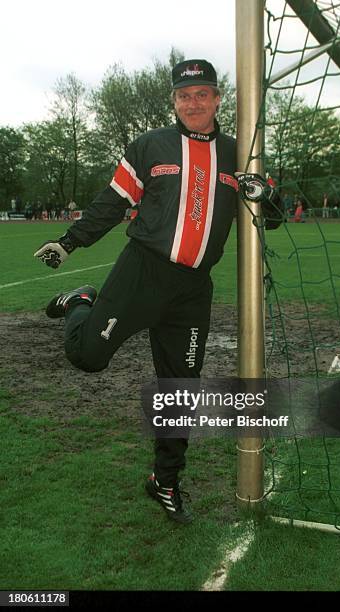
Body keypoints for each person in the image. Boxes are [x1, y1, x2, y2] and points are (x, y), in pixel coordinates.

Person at [34, 59, 283, 524]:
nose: (193, 102)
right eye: (184, 95)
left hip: (192, 291)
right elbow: (112, 203)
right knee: (88, 357)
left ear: (217, 99)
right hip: (142, 273)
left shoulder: (238, 154)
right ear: (174, 100)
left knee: (180, 391)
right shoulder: (150, 146)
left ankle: (164, 481)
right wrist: (68, 242)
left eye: (202, 94)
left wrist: (263, 194)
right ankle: (81, 301)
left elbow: (276, 214)